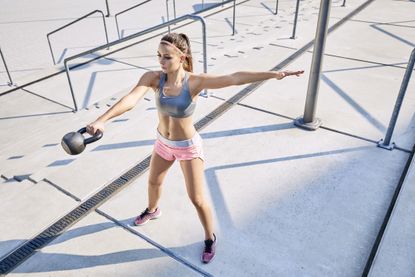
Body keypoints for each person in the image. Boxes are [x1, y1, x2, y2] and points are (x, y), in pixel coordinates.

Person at [86, 32, 304, 264]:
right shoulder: (153, 78)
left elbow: (234, 77)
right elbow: (129, 100)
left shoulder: (194, 82)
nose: (161, 61)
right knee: (153, 182)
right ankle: (152, 210)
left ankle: (210, 238)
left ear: (183, 56)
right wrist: (102, 120)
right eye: (159, 55)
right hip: (163, 142)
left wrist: (274, 74)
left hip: (187, 148)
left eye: (167, 57)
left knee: (197, 198)